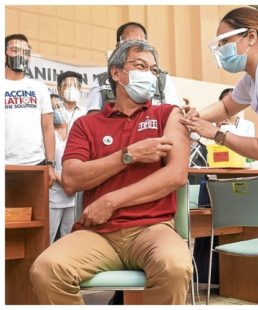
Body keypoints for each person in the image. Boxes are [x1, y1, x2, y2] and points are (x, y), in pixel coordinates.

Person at [30, 40, 192, 305]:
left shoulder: (168, 114)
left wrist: (111, 200)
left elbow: (175, 175)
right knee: (46, 269)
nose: (149, 74)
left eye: (153, 70)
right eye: (140, 65)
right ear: (115, 73)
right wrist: (129, 155)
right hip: (98, 233)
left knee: (174, 267)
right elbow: (71, 179)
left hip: (152, 229)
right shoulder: (87, 124)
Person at [181, 7, 258, 180]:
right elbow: (226, 107)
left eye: (224, 42)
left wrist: (217, 134)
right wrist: (195, 116)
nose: (221, 50)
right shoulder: (253, 75)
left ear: (251, 37)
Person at [86, 21, 180, 113]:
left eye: (141, 44)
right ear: (118, 47)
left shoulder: (162, 79)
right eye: (129, 43)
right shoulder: (101, 80)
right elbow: (93, 121)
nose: (136, 47)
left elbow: (173, 114)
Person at [5, 34, 56, 186]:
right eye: (15, 50)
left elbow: (48, 127)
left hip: (36, 164)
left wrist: (50, 164)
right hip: (5, 165)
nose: (21, 55)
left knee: (36, 211)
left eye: (26, 52)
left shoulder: (39, 87)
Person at [48, 94, 76, 244]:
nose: (57, 110)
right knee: (48, 237)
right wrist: (63, 179)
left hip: (72, 195)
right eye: (53, 108)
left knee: (69, 239)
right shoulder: (46, 133)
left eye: (59, 106)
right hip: (53, 193)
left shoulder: (74, 130)